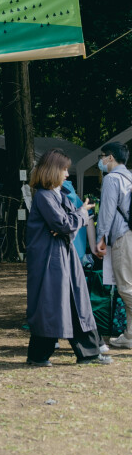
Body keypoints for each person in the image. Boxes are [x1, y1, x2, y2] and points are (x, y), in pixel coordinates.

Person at [25, 149, 111, 366]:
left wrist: (71, 220)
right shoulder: (45, 196)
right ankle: (39, 355)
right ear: (53, 170)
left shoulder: (56, 195)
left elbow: (66, 224)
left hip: (63, 257)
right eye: (64, 169)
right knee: (51, 304)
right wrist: (77, 216)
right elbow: (65, 223)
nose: (67, 174)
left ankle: (88, 353)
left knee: (75, 302)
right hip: (49, 260)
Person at [92, 142, 132, 349]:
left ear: (110, 157)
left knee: (125, 287)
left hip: (123, 237)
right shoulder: (130, 177)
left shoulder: (112, 179)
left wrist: (101, 238)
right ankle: (130, 334)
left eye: (102, 156)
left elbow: (106, 212)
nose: (101, 160)